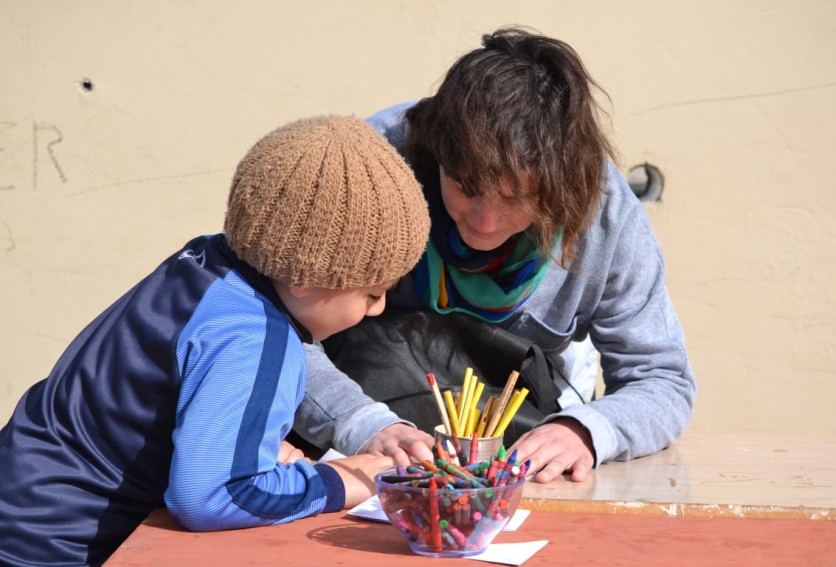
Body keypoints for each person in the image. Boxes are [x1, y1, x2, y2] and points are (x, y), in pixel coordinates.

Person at [0, 115, 431, 566]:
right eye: (372, 293)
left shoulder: (203, 263)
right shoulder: (253, 335)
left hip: (22, 497)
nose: (378, 309)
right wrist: (344, 479)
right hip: (58, 547)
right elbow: (212, 497)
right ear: (304, 277)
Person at [293, 27, 696, 484]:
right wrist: (362, 422)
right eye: (465, 187)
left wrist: (585, 431)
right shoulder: (369, 167)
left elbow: (663, 380)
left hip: (522, 427)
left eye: (516, 198)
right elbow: (271, 324)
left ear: (563, 183)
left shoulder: (605, 211)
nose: (485, 223)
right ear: (434, 151)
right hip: (361, 424)